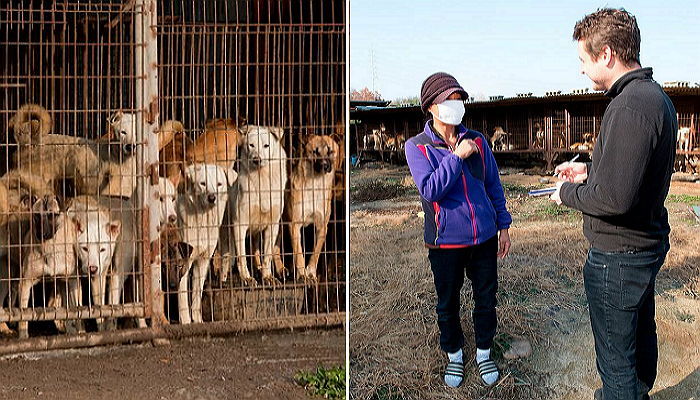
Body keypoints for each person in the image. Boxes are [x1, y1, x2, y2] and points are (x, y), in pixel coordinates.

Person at [550, 8, 677, 400]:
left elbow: (615, 198)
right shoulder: (654, 99)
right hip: (642, 247)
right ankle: (637, 390)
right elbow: (631, 175)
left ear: (606, 54)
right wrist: (587, 170)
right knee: (640, 335)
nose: (582, 70)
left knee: (616, 361)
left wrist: (565, 194)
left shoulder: (630, 106)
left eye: (583, 60)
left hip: (618, 258)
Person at [404, 72, 512, 388]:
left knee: (485, 298)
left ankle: (483, 352)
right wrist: (456, 157)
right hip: (445, 243)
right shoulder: (417, 147)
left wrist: (503, 225)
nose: (456, 104)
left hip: (484, 238)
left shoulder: (477, 140)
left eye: (458, 98)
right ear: (430, 107)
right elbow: (430, 189)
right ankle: (454, 355)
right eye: (447, 99)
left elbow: (493, 184)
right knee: (447, 302)